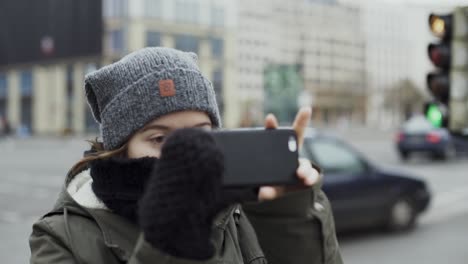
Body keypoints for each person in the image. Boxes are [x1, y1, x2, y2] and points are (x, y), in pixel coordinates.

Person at [29, 47, 343, 264]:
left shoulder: (241, 207)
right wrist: (171, 243)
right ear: (121, 147)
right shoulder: (61, 239)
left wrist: (284, 213)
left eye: (199, 134)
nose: (185, 153)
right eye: (161, 138)